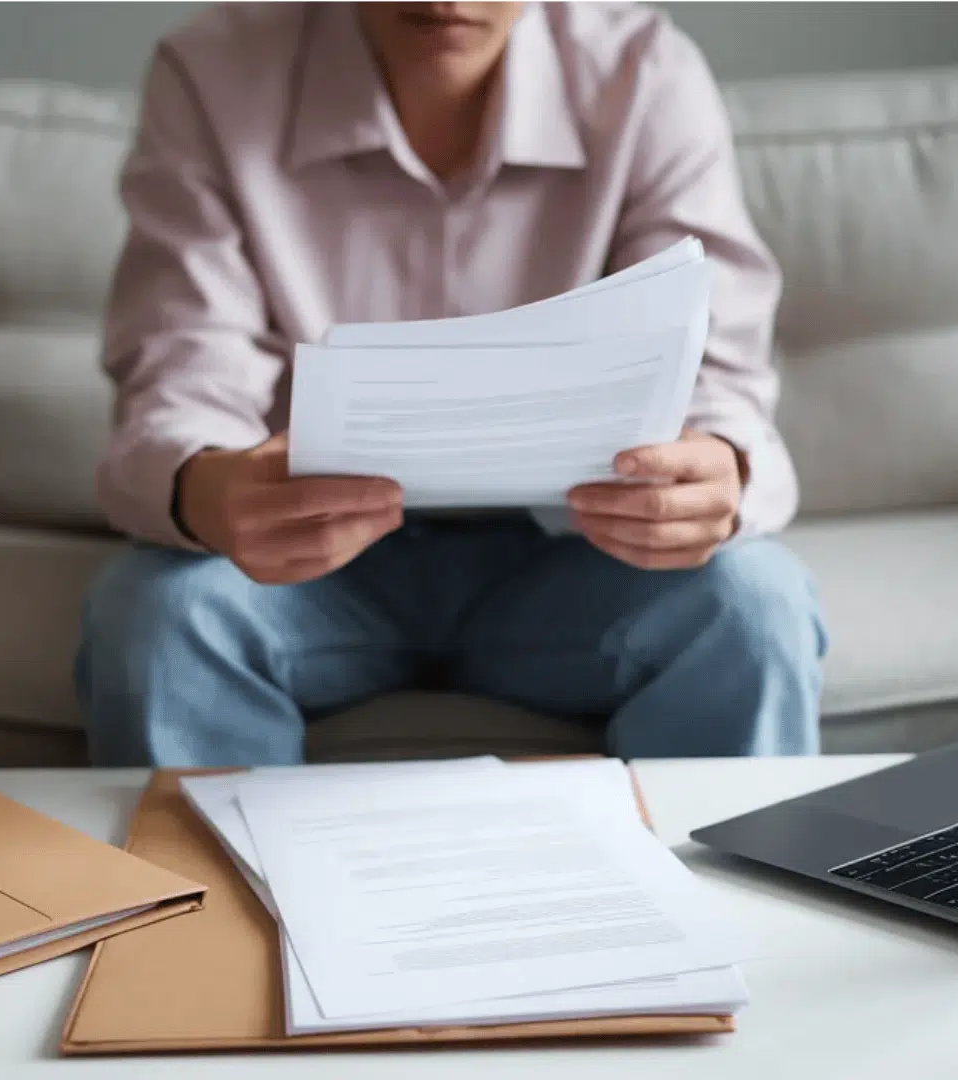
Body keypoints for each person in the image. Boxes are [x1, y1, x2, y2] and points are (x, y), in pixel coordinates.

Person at [79, 1, 826, 767]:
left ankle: (709, 889)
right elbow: (184, 362)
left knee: (756, 604)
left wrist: (719, 468)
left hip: (582, 553)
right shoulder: (213, 71)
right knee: (159, 612)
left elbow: (714, 366)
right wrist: (207, 489)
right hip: (305, 554)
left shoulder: (645, 72)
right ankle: (208, 888)